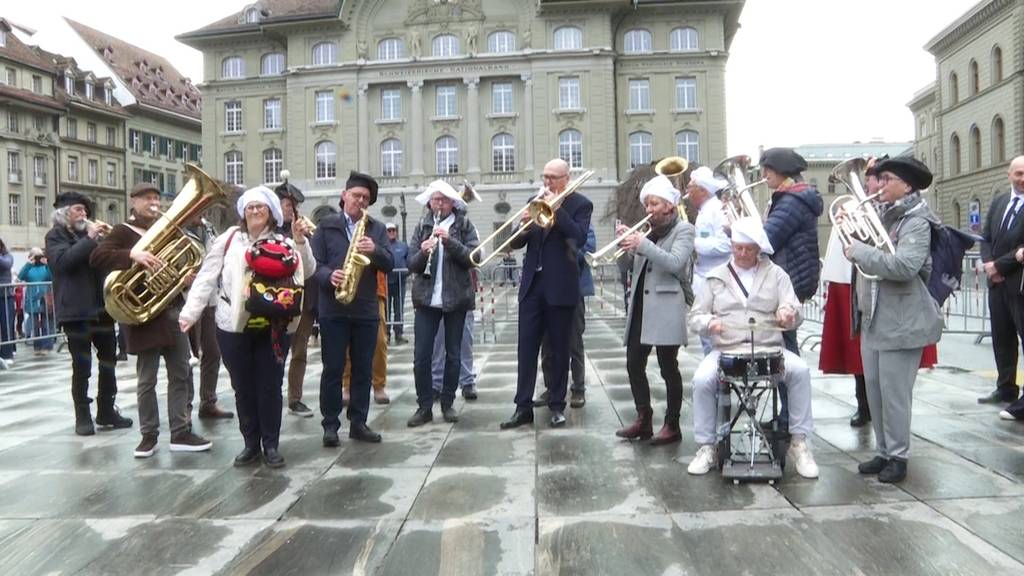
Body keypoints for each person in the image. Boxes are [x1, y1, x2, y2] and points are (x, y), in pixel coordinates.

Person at [180, 185, 315, 468]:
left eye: (261, 207)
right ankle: (250, 443)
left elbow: (308, 269)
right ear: (242, 211)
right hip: (232, 326)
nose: (255, 211)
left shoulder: (285, 240)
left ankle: (271, 444)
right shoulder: (229, 239)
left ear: (271, 213)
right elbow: (207, 275)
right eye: (250, 207)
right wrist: (191, 312)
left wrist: (301, 241)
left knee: (269, 386)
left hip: (274, 326)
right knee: (243, 387)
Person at [686, 217, 819, 479]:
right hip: (726, 349)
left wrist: (788, 312)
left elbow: (795, 309)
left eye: (748, 249)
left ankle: (799, 443)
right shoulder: (715, 278)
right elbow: (694, 317)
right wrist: (708, 322)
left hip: (770, 348)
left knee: (801, 371)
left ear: (758, 249)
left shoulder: (777, 274)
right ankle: (706, 446)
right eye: (738, 248)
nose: (742, 254)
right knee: (702, 379)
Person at [90, 182, 211, 458]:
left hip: (171, 311)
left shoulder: (170, 230)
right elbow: (97, 256)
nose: (152, 202)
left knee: (182, 373)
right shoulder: (122, 231)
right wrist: (131, 254)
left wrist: (185, 276)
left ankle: (180, 431)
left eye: (156, 198)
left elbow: (180, 263)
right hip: (143, 317)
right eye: (146, 198)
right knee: (147, 379)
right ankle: (149, 435)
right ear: (133, 202)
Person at [842, 156, 943, 483]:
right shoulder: (882, 216)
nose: (878, 185)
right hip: (874, 316)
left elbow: (904, 267)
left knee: (895, 393)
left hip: (902, 319)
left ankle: (898, 456)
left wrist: (859, 250)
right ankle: (884, 451)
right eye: (878, 179)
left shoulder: (916, 220)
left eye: (886, 179)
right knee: (875, 391)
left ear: (907, 185)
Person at [500, 158, 593, 429]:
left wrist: (557, 208)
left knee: (559, 348)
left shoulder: (580, 204)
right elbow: (515, 244)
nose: (547, 182)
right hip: (532, 286)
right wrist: (523, 224)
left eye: (553, 177)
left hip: (561, 286)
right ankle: (522, 407)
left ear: (567, 177)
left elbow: (578, 237)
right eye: (545, 176)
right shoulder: (534, 199)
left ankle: (556, 405)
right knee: (526, 348)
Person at [313, 171, 393, 446]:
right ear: (344, 196)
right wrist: (328, 276)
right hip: (333, 309)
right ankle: (330, 425)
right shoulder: (326, 226)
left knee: (362, 369)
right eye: (356, 195)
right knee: (333, 369)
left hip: (366, 309)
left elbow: (389, 264)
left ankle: (358, 422)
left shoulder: (376, 229)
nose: (360, 201)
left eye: (365, 198)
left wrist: (375, 250)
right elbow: (314, 264)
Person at [614, 175, 695, 445]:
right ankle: (643, 418)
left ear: (670, 206)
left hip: (666, 305)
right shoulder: (647, 232)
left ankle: (672, 424)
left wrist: (642, 245)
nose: (648, 209)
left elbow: (675, 263)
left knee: (667, 366)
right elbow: (633, 266)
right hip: (641, 304)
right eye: (647, 204)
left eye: (654, 203)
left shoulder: (683, 230)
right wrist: (626, 245)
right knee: (633, 363)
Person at [45, 191, 132, 435]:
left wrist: (109, 242)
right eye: (78, 210)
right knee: (82, 364)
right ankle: (82, 415)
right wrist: (91, 239)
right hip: (76, 312)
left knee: (109, 361)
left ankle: (106, 410)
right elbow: (63, 263)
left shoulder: (92, 236)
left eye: (85, 210)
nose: (84, 214)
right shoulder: (55, 236)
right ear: (64, 214)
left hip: (102, 308)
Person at [406, 180, 480, 427]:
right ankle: (424, 406)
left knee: (454, 355)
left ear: (452, 203)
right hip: (426, 300)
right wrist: (423, 252)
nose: (439, 204)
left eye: (444, 200)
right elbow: (410, 264)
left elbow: (474, 257)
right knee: (421, 357)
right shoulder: (422, 225)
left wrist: (450, 241)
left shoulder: (464, 225)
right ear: (430, 202)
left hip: (456, 298)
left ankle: (448, 403)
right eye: (435, 200)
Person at [759, 147, 824, 354]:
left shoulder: (792, 201)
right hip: (794, 273)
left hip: (790, 275)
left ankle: (791, 386)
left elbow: (768, 240)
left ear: (782, 170)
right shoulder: (790, 197)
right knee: (784, 338)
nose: (763, 175)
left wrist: (736, 229)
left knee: (784, 342)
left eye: (767, 169)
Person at [978, 156, 1024, 405]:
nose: (1022, 179)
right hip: (997, 284)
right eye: (1018, 173)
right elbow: (985, 237)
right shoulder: (1000, 202)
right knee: (1002, 337)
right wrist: (989, 265)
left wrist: (998, 265)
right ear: (1009, 175)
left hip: (1020, 284)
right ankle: (1005, 387)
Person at [537, 224, 596, 409]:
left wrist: (560, 251)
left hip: (573, 287)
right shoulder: (542, 219)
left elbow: (588, 248)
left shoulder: (579, 218)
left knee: (574, 341)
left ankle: (578, 388)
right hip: (547, 287)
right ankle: (551, 388)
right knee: (546, 343)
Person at [274, 173, 318, 418]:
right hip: (278, 302)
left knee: (299, 351)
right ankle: (272, 394)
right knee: (275, 353)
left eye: (293, 206)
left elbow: (314, 264)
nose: (291, 210)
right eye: (286, 205)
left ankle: (295, 397)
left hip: (304, 301)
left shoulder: (304, 229)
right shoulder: (272, 231)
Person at [184, 218, 233, 420]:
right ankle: (184, 409)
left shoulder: (208, 228)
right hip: (186, 299)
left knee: (213, 352)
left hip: (211, 299)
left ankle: (208, 402)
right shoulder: (176, 229)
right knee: (186, 358)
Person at [686, 166, 732, 355]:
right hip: (704, 278)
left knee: (713, 338)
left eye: (691, 187)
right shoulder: (705, 210)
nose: (687, 192)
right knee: (706, 337)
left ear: (703, 190)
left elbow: (726, 245)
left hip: (716, 280)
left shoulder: (716, 210)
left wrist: (693, 243)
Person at [342, 270, 391, 405]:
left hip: (375, 291)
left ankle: (379, 385)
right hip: (349, 287)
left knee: (380, 340)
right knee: (347, 343)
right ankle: (347, 386)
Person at [17, 247, 55, 355]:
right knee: (35, 326)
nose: (38, 258)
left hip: (45, 300)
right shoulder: (29, 268)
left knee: (46, 324)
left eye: (39, 255)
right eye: (35, 255)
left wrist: (47, 264)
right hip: (32, 300)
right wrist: (29, 263)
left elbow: (52, 277)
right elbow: (21, 276)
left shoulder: (45, 268)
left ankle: (47, 347)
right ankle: (37, 347)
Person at [385, 222, 410, 344]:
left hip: (400, 282)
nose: (391, 232)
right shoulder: (383, 246)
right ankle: (386, 334)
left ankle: (399, 334)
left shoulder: (403, 246)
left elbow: (409, 261)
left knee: (399, 309)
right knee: (386, 309)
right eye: (389, 230)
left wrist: (406, 273)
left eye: (393, 230)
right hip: (386, 283)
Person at [0, 239, 15, 369]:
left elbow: (6, 265)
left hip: (5, 296)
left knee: (6, 326)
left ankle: (7, 354)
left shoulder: (7, 256)